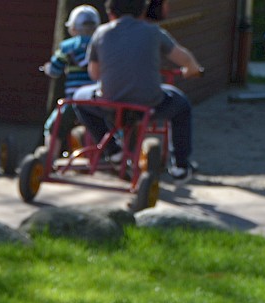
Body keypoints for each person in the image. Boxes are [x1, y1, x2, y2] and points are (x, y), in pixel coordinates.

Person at [71, 0, 203, 179]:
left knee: (79, 99)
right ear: (142, 12)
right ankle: (180, 164)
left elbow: (94, 74)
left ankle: (113, 150)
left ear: (110, 14)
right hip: (149, 103)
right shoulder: (154, 32)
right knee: (181, 105)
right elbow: (183, 57)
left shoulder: (100, 33)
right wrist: (192, 68)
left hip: (110, 103)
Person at [41, 4, 102, 148]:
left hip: (74, 100)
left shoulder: (67, 47)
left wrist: (48, 69)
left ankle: (49, 159)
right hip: (98, 100)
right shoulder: (101, 45)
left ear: (73, 28)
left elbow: (55, 70)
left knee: (53, 127)